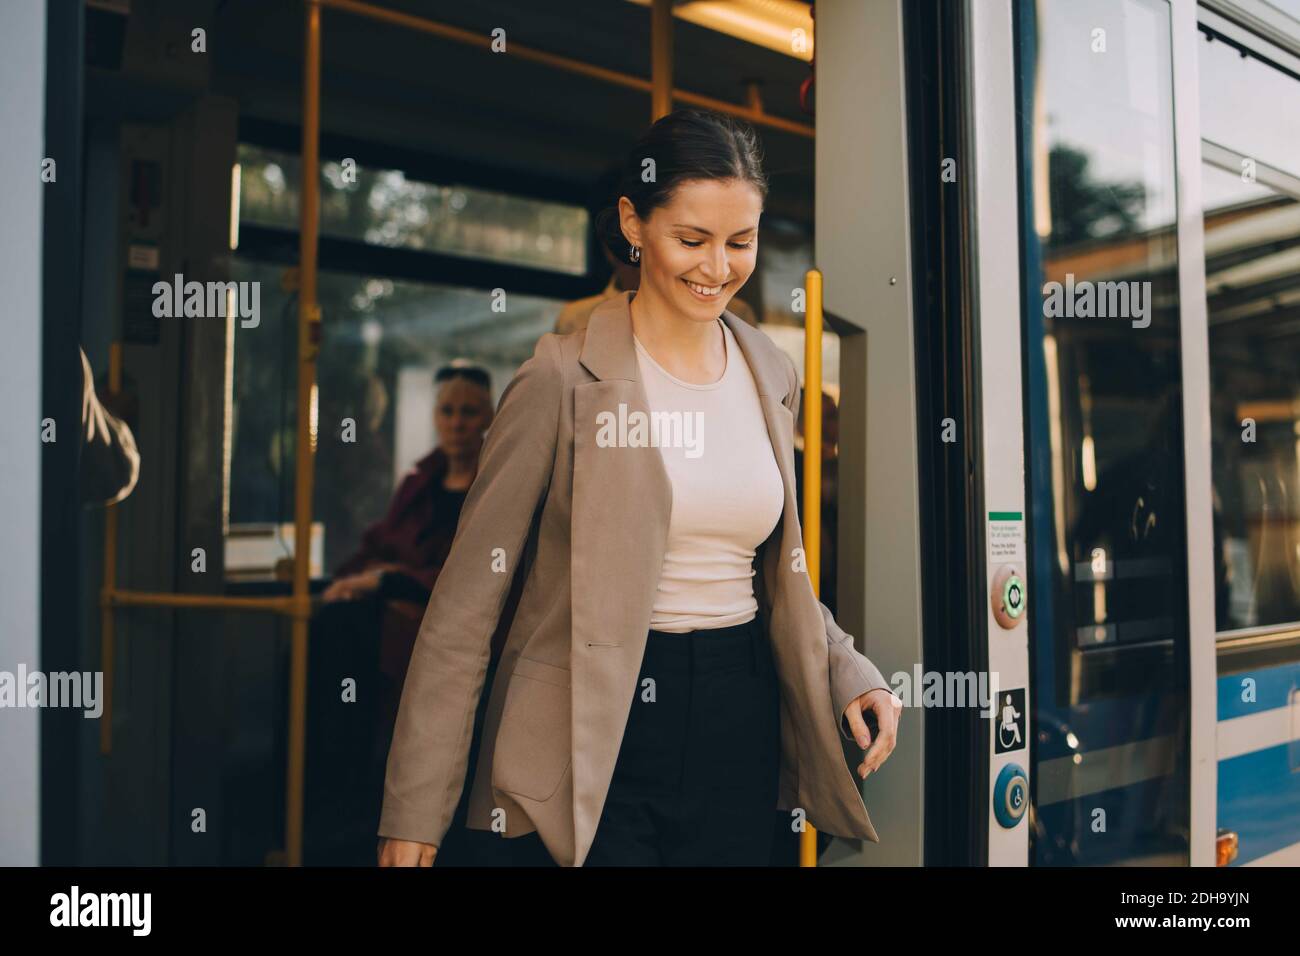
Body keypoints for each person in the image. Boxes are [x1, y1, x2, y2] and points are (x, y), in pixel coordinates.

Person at [378, 108, 899, 868]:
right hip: (591, 721)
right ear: (633, 221)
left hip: (739, 709)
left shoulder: (770, 371)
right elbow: (464, 607)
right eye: (691, 239)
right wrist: (416, 810)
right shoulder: (558, 375)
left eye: (739, 242)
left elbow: (776, 575)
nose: (716, 267)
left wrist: (846, 668)